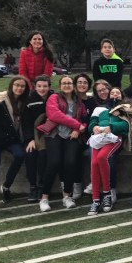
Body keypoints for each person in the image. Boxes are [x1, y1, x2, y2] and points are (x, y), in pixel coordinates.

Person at [37, 76, 88, 212]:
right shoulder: (53, 98)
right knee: (54, 162)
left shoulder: (79, 101)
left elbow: (85, 120)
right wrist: (77, 124)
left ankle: (67, 196)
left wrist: (78, 129)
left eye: (69, 83)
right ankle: (44, 198)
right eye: (64, 83)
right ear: (60, 86)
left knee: (70, 163)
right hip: (55, 134)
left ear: (73, 86)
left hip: (72, 136)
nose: (67, 85)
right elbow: (55, 115)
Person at [0, 76, 29, 211]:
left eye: (22, 86)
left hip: (12, 139)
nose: (19, 88)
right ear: (11, 86)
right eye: (17, 85)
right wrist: (2, 137)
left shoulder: (24, 103)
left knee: (20, 155)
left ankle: (6, 186)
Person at [86, 87, 130, 216]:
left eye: (118, 92)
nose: (114, 94)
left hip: (114, 138)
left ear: (122, 95)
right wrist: (95, 127)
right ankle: (95, 200)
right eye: (112, 92)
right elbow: (91, 124)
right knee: (94, 163)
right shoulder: (99, 109)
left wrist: (111, 127)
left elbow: (126, 126)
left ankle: (107, 194)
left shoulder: (125, 108)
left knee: (102, 158)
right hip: (98, 138)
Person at [22, 74, 53, 203]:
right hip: (33, 134)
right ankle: (33, 186)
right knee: (30, 154)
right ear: (35, 87)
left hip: (50, 133)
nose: (42, 89)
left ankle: (42, 185)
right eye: (39, 86)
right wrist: (30, 139)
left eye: (45, 86)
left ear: (49, 87)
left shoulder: (54, 98)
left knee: (44, 154)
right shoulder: (29, 100)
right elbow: (26, 123)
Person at [72, 73, 95, 198]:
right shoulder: (71, 100)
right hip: (73, 134)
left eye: (85, 82)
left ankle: (93, 184)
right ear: (75, 85)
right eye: (79, 82)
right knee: (74, 153)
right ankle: (77, 184)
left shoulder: (92, 101)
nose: (82, 85)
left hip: (88, 134)